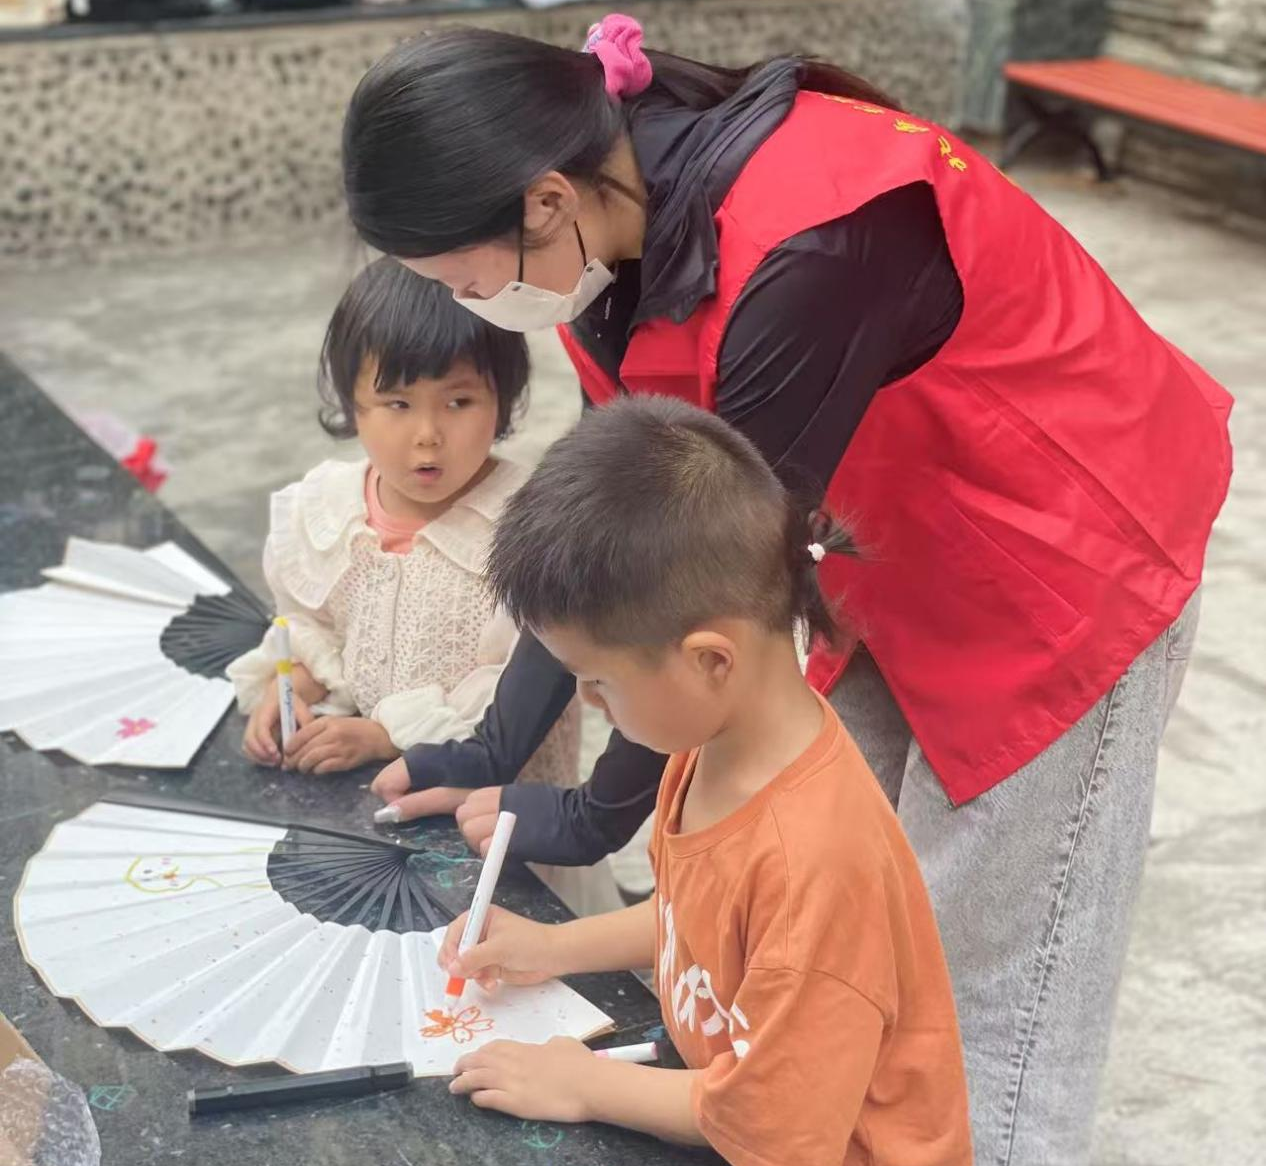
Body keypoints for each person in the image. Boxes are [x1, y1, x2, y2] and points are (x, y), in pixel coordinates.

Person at [344, 17, 1232, 1162]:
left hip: (1063, 555)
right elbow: (605, 553)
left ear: (546, 201)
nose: (476, 308)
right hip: (884, 546)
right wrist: (491, 749)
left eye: (465, 280)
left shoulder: (806, 246)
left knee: (985, 1002)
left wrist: (594, 815)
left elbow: (674, 584)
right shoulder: (601, 252)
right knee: (834, 926)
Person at [442, 395, 972, 1165]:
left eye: (599, 681)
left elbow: (774, 1124)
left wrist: (585, 1083)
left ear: (709, 659)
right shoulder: (711, 742)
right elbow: (691, 920)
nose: (588, 703)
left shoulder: (814, 863)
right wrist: (553, 946)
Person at [225, 257, 621, 917]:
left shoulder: (530, 526)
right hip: (375, 820)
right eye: (397, 404)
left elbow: (511, 685)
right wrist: (294, 682)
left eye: (459, 402)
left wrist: (386, 733)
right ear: (352, 403)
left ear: (503, 398)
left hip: (500, 831)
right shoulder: (327, 509)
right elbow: (311, 618)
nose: (427, 435)